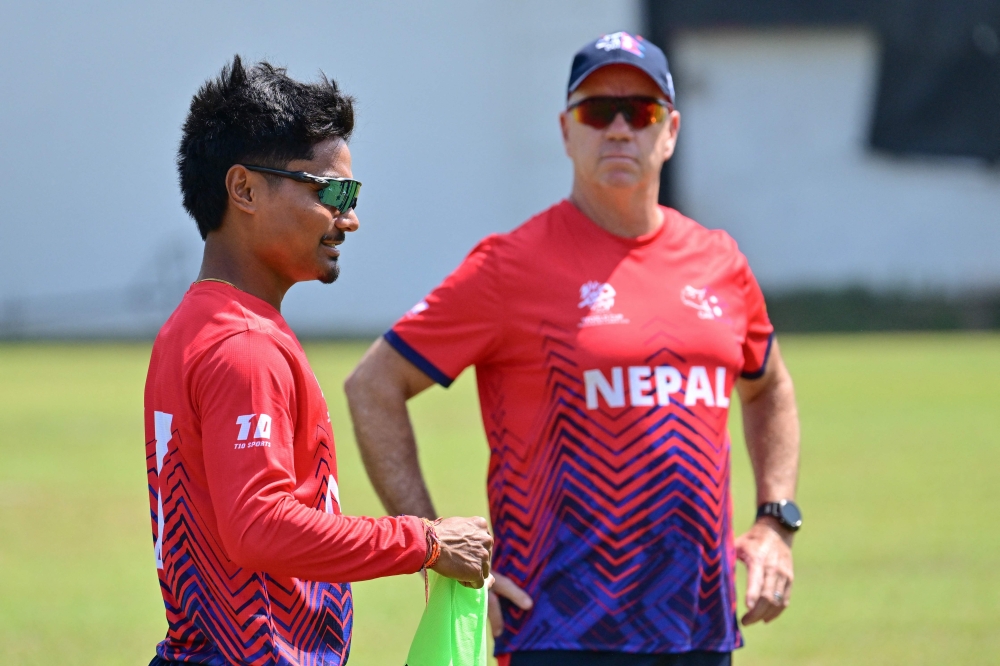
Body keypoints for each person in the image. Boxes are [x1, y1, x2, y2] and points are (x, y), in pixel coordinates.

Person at [345, 32, 802, 666]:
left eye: (640, 112)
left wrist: (775, 521)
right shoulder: (510, 267)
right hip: (557, 629)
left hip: (698, 626)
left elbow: (770, 387)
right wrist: (434, 544)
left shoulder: (719, 261)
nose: (619, 130)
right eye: (596, 112)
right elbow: (373, 384)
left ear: (670, 132)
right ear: (566, 130)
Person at [143, 56, 492, 666]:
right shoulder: (242, 345)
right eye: (332, 191)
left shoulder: (197, 323)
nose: (350, 218)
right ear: (244, 189)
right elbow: (259, 526)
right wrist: (427, 541)